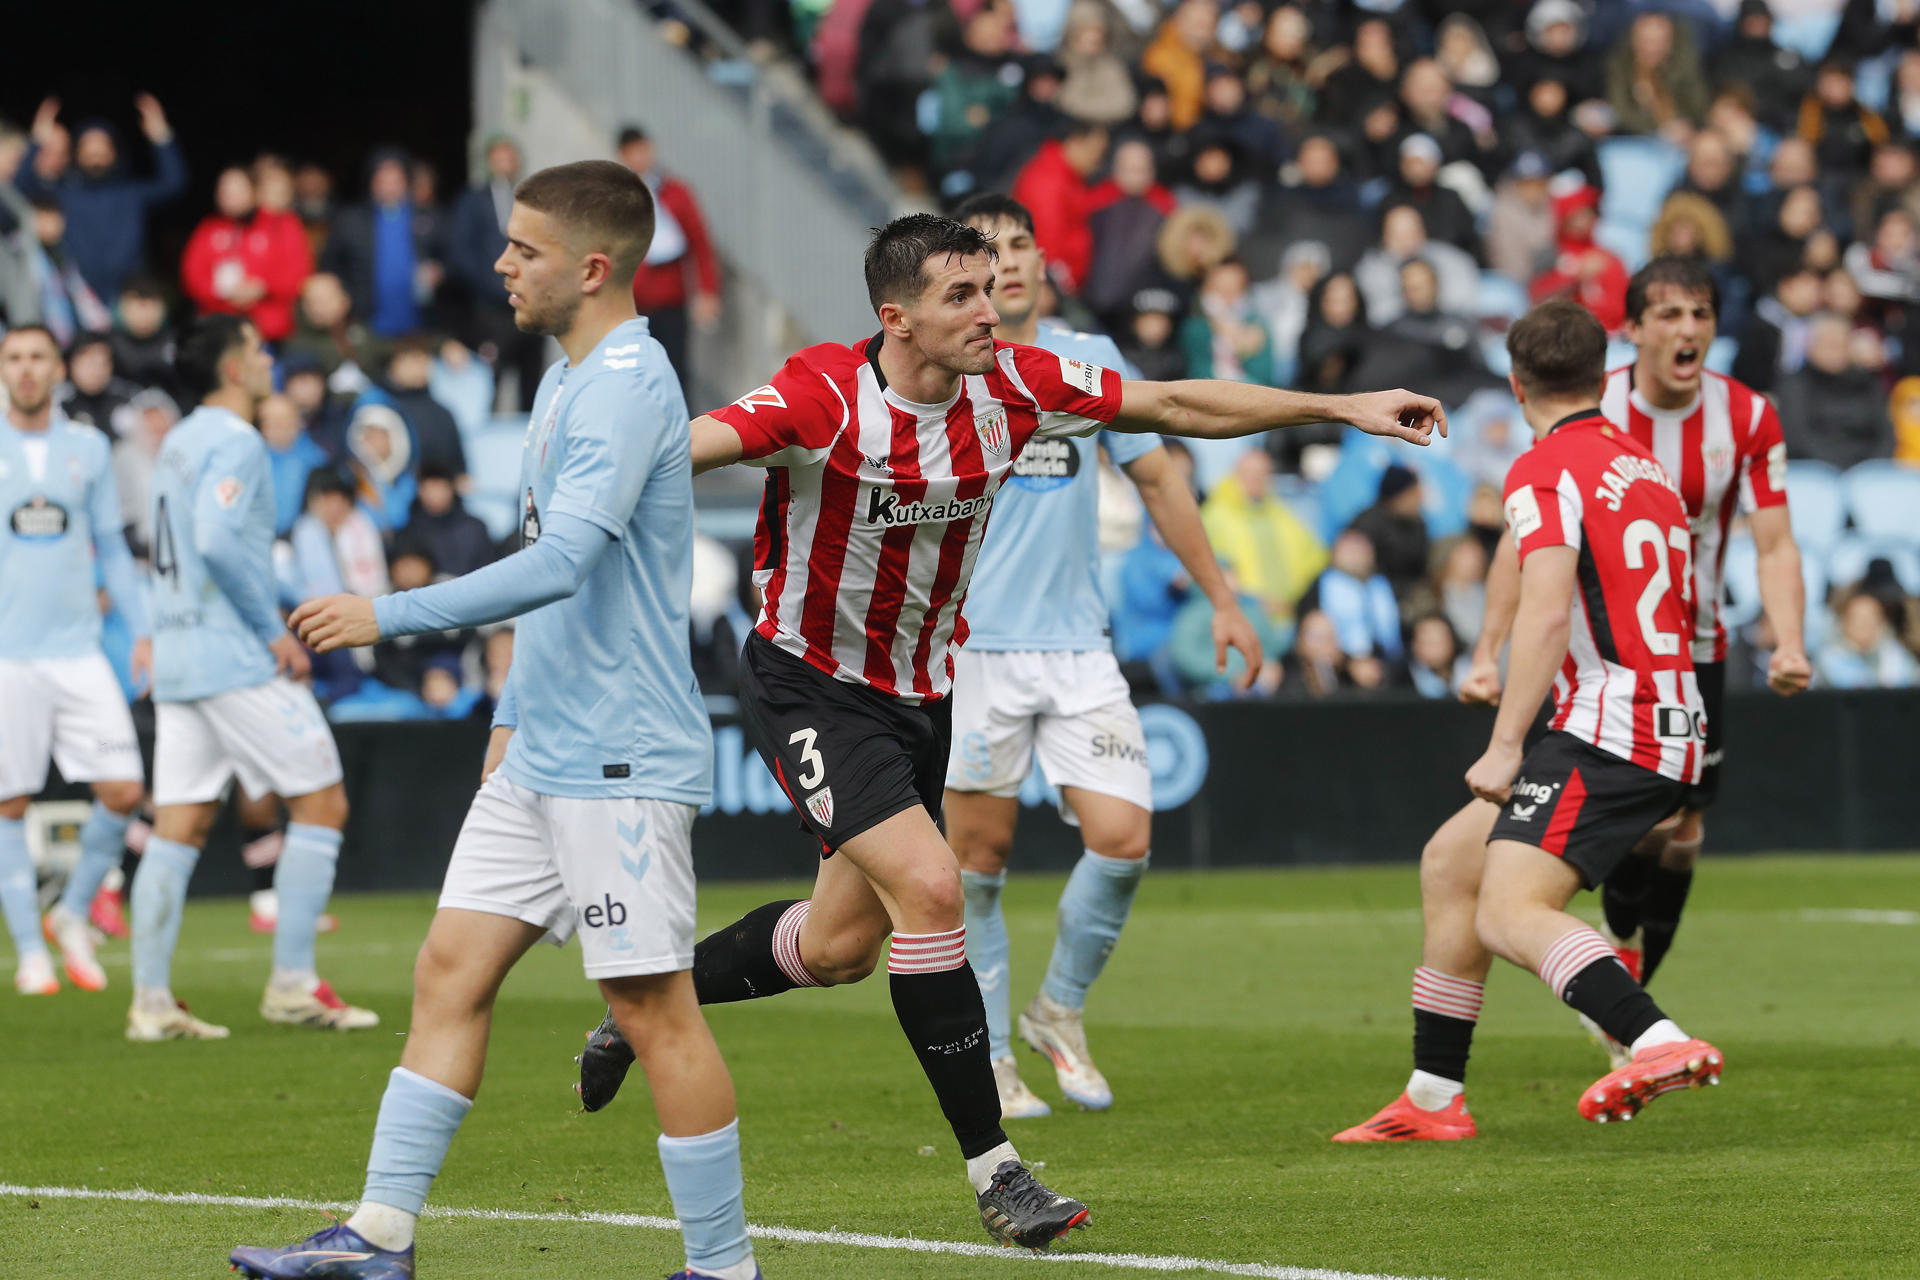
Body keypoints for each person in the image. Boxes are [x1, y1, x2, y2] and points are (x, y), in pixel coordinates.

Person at [570, 212, 1444, 1248]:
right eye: (961, 296)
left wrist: (1341, 406)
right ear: (895, 318)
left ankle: (644, 1000)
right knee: (936, 887)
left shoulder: (1020, 385)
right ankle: (998, 1171)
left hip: (921, 693)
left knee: (844, 944)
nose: (990, 309)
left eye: (990, 288)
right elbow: (691, 445)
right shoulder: (821, 394)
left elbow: (1171, 402)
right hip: (810, 682)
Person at [236, 160, 760, 1280]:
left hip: (619, 756)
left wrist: (386, 614)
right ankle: (379, 1235)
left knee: (649, 1006)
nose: (501, 264)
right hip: (544, 749)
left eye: (523, 248)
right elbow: (554, 557)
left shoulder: (625, 383)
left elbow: (565, 561)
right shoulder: (569, 375)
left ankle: (723, 1265)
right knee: (447, 969)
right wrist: (513, 706)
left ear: (594, 266)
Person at [1334, 299, 1724, 1143]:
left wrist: (1506, 743)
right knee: (1452, 861)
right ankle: (1434, 1097)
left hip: (1611, 725)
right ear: (1600, 375)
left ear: (1516, 384)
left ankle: (1654, 1040)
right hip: (1666, 712)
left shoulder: (1545, 470)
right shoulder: (1642, 466)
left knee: (1509, 912)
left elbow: (1550, 610)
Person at [943, 193, 1258, 1118]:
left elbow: (1158, 478)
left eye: (1017, 244)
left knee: (1124, 841)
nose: (1005, 262)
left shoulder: (1093, 363)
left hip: (1078, 644)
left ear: (1044, 260)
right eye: (984, 251)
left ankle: (1058, 1012)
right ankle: (992, 1057)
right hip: (974, 651)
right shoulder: (945, 370)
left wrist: (1225, 600)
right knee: (980, 862)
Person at [1571, 257, 1810, 1051]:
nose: (1687, 330)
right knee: (1646, 821)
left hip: (1699, 648)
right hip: (1606, 648)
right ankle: (1620, 970)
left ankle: (1632, 975)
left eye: (1700, 314)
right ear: (1633, 329)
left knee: (1683, 828)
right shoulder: (1592, 404)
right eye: (1668, 314)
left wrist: (1790, 639)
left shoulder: (1747, 417)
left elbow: (1774, 543)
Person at [135, 315, 371, 1041]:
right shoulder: (237, 440)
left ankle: (150, 1002)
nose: (268, 359)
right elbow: (212, 539)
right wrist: (273, 628)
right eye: (258, 349)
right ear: (234, 369)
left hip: (179, 651)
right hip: (231, 654)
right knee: (323, 803)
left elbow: (165, 544)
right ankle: (294, 984)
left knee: (179, 824)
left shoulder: (177, 440)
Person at [0, 326, 150, 996]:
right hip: (10, 658)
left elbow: (114, 549)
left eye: (37, 358)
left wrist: (143, 627)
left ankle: (69, 911)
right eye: (15, 358)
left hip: (80, 653)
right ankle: (31, 950)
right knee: (9, 803)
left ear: (58, 369)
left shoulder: (88, 447)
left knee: (124, 788)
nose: (26, 370)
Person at [18, 95, 186, 302]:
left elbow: (174, 183)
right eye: (88, 145)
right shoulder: (62, 194)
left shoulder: (131, 193)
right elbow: (20, 187)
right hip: (78, 298)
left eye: (103, 144)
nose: (95, 151)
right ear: (76, 153)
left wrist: (161, 136)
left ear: (115, 151)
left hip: (127, 300)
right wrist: (37, 140)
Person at [619, 127, 722, 400]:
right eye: (632, 152)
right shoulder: (616, 199)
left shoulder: (676, 193)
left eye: (642, 150)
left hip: (671, 301)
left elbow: (700, 244)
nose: (639, 157)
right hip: (631, 306)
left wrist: (707, 291)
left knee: (675, 374)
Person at [450, 134, 545, 411]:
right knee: (490, 380)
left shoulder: (532, 198)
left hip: (530, 303)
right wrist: (492, 284)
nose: (504, 162)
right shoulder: (473, 200)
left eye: (509, 155)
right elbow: (462, 251)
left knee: (532, 381)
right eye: (498, 156)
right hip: (491, 309)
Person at [178, 166, 312, 342]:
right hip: (219, 328)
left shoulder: (282, 224)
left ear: (254, 191)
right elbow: (191, 276)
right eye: (224, 191)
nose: (230, 197)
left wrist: (262, 288)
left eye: (237, 190)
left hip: (271, 330)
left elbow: (298, 273)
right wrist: (222, 291)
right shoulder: (208, 228)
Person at [321, 150, 445, 339]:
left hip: (422, 325)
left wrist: (440, 270)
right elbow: (330, 265)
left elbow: (453, 257)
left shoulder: (429, 216)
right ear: (371, 183)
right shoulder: (350, 220)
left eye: (396, 180)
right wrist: (344, 299)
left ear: (407, 182)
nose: (390, 187)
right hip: (365, 326)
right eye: (383, 180)